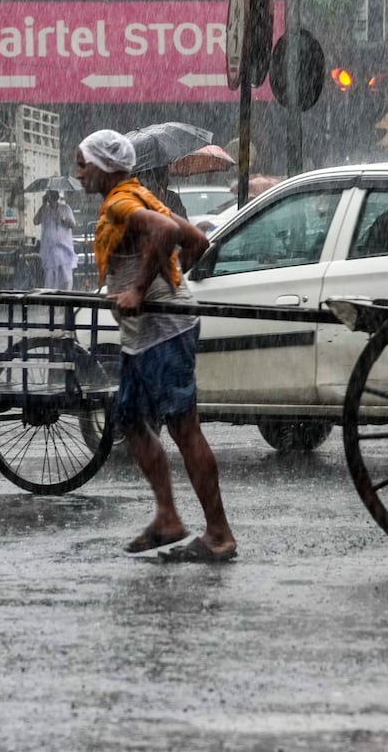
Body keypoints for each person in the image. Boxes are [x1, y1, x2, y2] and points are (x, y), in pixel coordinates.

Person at [75, 128, 236, 562]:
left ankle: (219, 534)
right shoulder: (142, 194)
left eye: (83, 163)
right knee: (128, 419)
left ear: (105, 167)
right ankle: (168, 517)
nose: (78, 172)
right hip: (145, 334)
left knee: (184, 429)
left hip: (162, 330)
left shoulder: (122, 203)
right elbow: (197, 241)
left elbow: (167, 231)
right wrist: (170, 280)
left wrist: (143, 290)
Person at [33, 188, 78, 291]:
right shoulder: (44, 209)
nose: (51, 200)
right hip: (49, 251)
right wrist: (43, 205)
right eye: (48, 198)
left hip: (63, 250)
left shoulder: (65, 208)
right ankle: (52, 301)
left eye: (52, 197)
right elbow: (36, 221)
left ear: (56, 197)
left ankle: (65, 300)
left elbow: (72, 224)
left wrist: (62, 219)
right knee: (50, 281)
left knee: (65, 279)